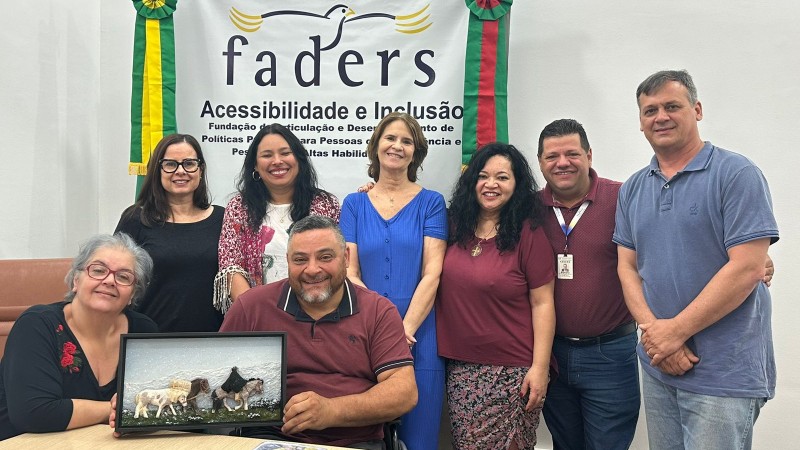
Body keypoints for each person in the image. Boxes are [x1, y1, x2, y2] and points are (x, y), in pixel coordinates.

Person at [613, 70, 779, 450]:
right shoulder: (635, 187)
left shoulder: (737, 174)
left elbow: (749, 266)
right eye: (650, 110)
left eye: (672, 106)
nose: (661, 117)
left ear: (697, 109)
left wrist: (673, 333)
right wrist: (657, 338)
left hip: (723, 372)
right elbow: (627, 267)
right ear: (640, 122)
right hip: (660, 369)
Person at [218, 215, 417, 448]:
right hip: (269, 438)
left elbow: (404, 393)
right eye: (300, 259)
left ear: (346, 258)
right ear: (288, 262)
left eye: (325, 257)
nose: (312, 270)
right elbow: (218, 377)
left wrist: (331, 411)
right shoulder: (251, 306)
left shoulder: (378, 311)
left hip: (355, 441)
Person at [436, 142, 556, 449]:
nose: (491, 184)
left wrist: (540, 369)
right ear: (472, 180)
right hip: (460, 368)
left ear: (516, 185)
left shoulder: (528, 233)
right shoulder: (455, 226)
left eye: (502, 177)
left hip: (513, 373)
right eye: (483, 176)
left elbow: (543, 304)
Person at [339, 112, 446, 450]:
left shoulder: (431, 203)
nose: (397, 146)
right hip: (363, 332)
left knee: (421, 441)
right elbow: (349, 272)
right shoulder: (354, 203)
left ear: (416, 152)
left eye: (406, 141)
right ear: (376, 146)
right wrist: (382, 328)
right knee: (364, 437)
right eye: (390, 138)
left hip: (422, 336)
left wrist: (404, 330)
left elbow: (433, 272)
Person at [536, 119, 639, 450]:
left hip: (609, 353)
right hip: (551, 354)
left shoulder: (623, 197)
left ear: (589, 155)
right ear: (540, 161)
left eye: (572, 153)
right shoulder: (528, 208)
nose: (562, 163)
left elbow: (671, 238)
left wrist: (746, 258)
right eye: (552, 156)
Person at [0, 234, 158, 440]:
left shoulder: (143, 331)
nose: (110, 280)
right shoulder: (37, 324)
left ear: (133, 295)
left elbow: (152, 409)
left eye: (123, 277)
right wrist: (115, 411)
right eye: (98, 270)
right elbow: (33, 413)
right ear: (76, 280)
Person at [214, 123, 341, 313]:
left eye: (285, 153)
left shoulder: (325, 204)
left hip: (317, 313)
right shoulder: (239, 207)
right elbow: (231, 266)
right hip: (259, 316)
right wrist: (256, 314)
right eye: (267, 155)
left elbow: (334, 261)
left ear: (299, 159)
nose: (277, 161)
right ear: (255, 166)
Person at [116, 133, 224, 332]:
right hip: (149, 339)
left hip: (213, 341)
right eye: (170, 164)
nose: (180, 171)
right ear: (157, 170)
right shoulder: (135, 219)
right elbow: (117, 277)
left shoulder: (223, 219)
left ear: (200, 170)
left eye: (189, 163)